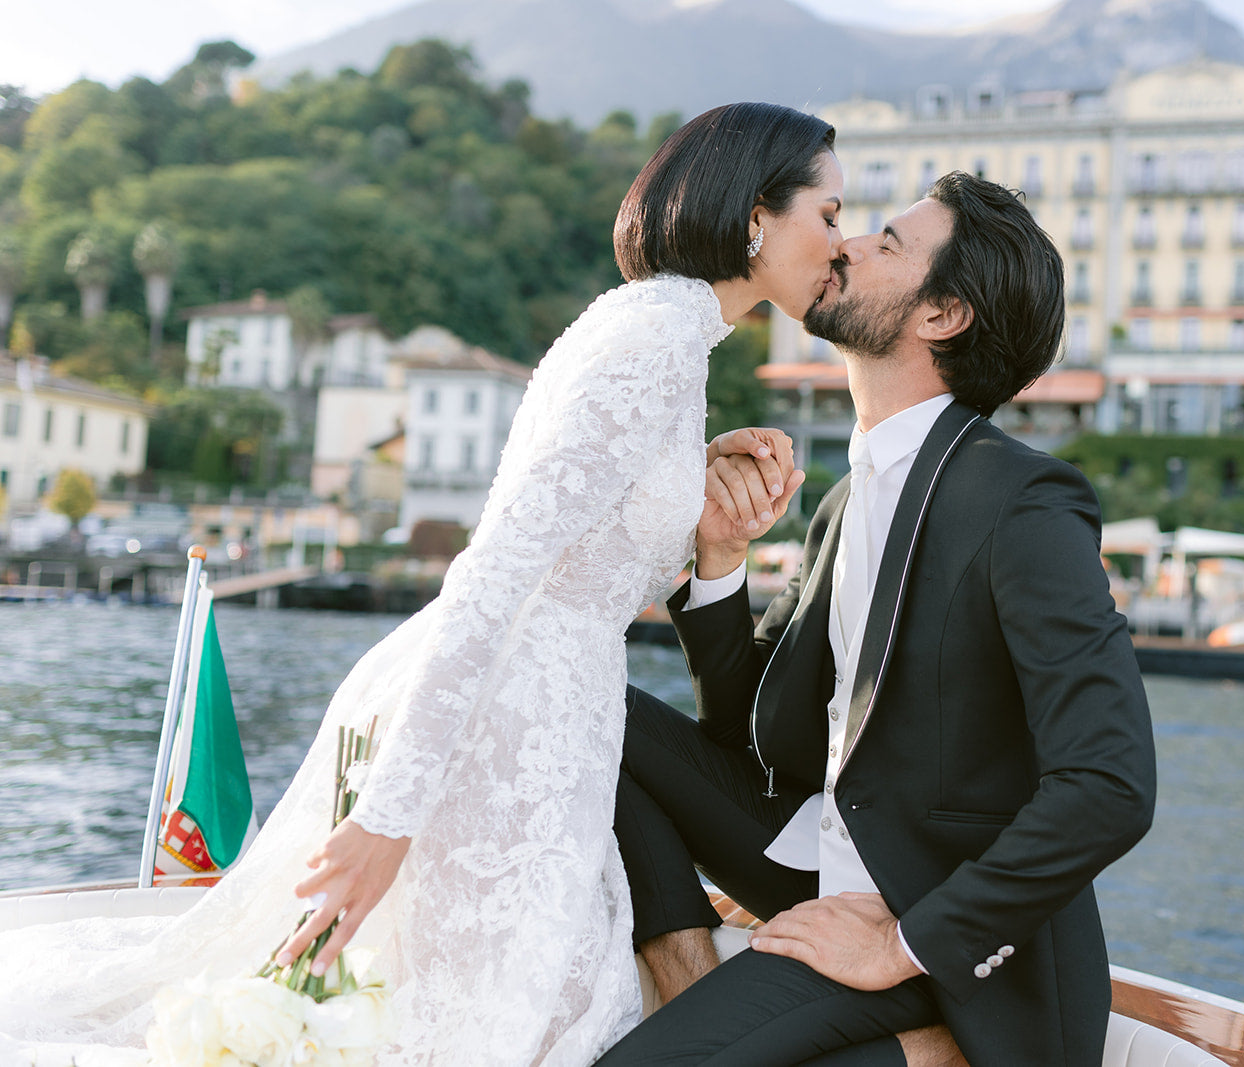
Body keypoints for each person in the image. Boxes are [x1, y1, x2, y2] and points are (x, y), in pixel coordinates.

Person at [0, 101, 838, 1067]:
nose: (840, 240)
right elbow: (499, 569)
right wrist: (389, 816)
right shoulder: (649, 341)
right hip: (499, 720)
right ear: (754, 218)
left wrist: (695, 472)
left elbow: (594, 530)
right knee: (475, 1030)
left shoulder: (671, 339)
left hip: (554, 722)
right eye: (828, 212)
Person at [603, 173, 1158, 1066]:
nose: (846, 244)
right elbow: (754, 737)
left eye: (887, 243)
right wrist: (719, 559)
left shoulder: (1023, 502)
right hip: (818, 860)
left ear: (941, 316)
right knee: (587, 704)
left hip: (937, 931)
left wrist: (901, 942)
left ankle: (933, 1041)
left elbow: (1112, 783)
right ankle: (684, 963)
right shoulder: (848, 500)